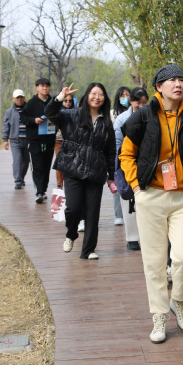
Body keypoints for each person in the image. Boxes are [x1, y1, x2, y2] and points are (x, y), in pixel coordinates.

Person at [119, 64, 183, 343]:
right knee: (155, 262)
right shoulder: (143, 117)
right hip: (151, 196)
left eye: (181, 79)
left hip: (182, 196)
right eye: (171, 80)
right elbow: (126, 155)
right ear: (158, 87)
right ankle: (159, 315)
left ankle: (178, 301)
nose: (178, 84)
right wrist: (137, 188)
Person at [45, 82, 117, 260]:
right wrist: (60, 97)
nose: (97, 97)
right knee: (73, 208)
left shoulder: (107, 122)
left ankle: (88, 250)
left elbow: (110, 150)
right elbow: (49, 113)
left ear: (105, 98)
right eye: (94, 93)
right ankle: (71, 233)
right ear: (87, 96)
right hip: (73, 168)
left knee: (92, 212)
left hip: (96, 171)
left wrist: (111, 175)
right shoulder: (72, 115)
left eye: (101, 94)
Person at [113, 86, 149, 250]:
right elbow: (118, 145)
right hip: (128, 162)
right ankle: (132, 238)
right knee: (129, 201)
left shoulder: (152, 116)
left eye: (144, 102)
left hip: (147, 163)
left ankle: (146, 236)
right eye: (137, 102)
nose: (140, 106)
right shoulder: (122, 119)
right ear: (131, 101)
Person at [20, 78, 57, 203]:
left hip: (49, 140)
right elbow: (23, 117)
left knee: (46, 167)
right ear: (37, 87)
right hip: (35, 140)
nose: (45, 88)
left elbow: (59, 115)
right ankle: (39, 192)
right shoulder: (31, 103)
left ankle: (43, 190)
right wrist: (34, 120)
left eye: (47, 86)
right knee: (37, 167)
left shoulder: (53, 102)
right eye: (42, 86)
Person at [110, 86, 132, 225]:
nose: (125, 98)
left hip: (131, 152)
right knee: (118, 183)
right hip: (118, 151)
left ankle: (130, 212)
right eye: (122, 96)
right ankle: (118, 215)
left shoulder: (138, 112)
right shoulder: (113, 114)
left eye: (128, 95)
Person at [2, 89, 30, 190]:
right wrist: (5, 140)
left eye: (21, 97)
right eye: (17, 98)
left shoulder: (29, 110)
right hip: (15, 140)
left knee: (26, 161)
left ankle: (21, 178)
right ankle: (18, 181)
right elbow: (6, 126)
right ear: (13, 99)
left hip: (28, 140)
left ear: (24, 98)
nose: (19, 99)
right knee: (17, 160)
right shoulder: (9, 112)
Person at [53, 92, 75, 189]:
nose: (68, 102)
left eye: (70, 101)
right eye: (65, 100)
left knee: (70, 162)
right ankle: (59, 184)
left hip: (71, 141)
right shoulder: (58, 112)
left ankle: (69, 183)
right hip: (59, 140)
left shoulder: (75, 112)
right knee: (60, 162)